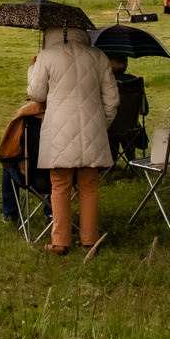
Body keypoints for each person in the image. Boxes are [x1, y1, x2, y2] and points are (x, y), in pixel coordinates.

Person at [26, 23, 118, 255]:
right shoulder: (99, 56)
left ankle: (60, 242)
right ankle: (90, 241)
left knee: (60, 186)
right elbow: (112, 100)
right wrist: (101, 126)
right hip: (93, 129)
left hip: (58, 130)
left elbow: (37, 94)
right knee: (89, 187)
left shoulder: (46, 56)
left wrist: (32, 70)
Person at [0, 95, 46, 223]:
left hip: (34, 178)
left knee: (7, 163)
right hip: (70, 177)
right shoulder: (71, 113)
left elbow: (8, 150)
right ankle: (51, 214)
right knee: (57, 173)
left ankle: (9, 214)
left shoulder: (28, 114)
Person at [105, 52, 143, 164]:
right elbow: (145, 110)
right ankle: (132, 160)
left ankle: (111, 162)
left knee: (113, 124)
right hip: (131, 129)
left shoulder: (105, 83)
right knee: (127, 124)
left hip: (108, 129)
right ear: (126, 64)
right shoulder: (135, 81)